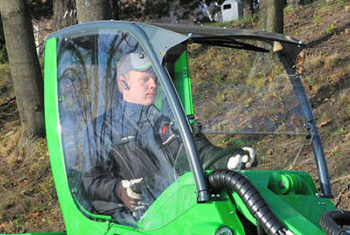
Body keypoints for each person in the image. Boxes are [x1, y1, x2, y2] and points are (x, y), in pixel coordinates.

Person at [83, 51, 255, 221]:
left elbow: (194, 151)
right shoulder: (102, 129)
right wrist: (119, 190)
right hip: (135, 225)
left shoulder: (163, 121)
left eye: (154, 79)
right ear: (123, 84)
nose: (153, 84)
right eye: (145, 79)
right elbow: (91, 181)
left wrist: (225, 160)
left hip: (179, 212)